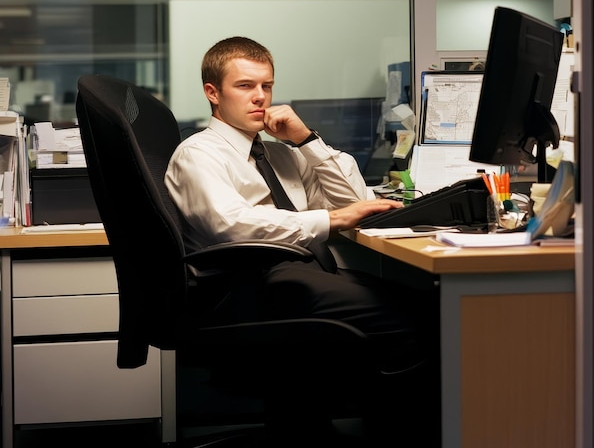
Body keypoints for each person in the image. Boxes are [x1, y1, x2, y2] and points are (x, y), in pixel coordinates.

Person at [165, 36, 440, 446]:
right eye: (245, 86)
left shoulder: (280, 155)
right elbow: (230, 225)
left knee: (430, 302)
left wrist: (306, 141)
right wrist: (332, 219)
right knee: (412, 321)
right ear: (213, 93)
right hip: (249, 285)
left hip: (298, 275)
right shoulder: (198, 155)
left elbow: (352, 203)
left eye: (267, 86)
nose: (259, 97)